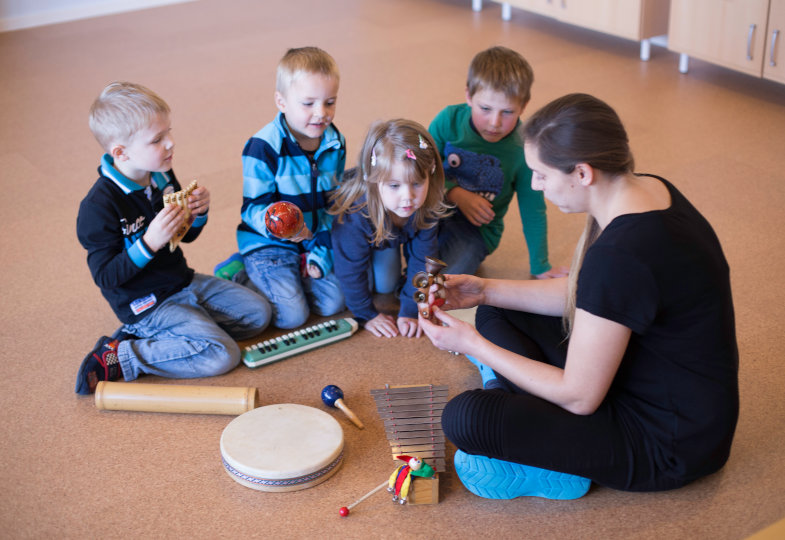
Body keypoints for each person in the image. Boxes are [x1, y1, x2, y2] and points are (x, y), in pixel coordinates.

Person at [419, 93, 739, 499]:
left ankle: (551, 457)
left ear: (583, 173)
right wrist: (484, 289)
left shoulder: (621, 256)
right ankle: (521, 399)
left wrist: (473, 346)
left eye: (541, 174)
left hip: (669, 445)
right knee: (495, 310)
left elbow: (580, 396)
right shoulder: (648, 189)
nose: (535, 184)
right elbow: (586, 296)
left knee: (467, 419)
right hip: (645, 378)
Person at [75, 81, 272, 395]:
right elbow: (106, 276)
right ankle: (125, 354)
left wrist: (199, 213)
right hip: (147, 305)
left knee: (259, 315)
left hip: (182, 281)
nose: (171, 144)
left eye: (169, 132)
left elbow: (185, 237)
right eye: (157, 139)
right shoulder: (98, 208)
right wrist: (148, 242)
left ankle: (188, 330)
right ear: (120, 152)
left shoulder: (162, 174)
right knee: (223, 354)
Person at [215, 46, 345, 329]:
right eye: (308, 103)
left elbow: (332, 205)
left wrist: (319, 252)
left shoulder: (335, 142)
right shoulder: (262, 147)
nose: (321, 113)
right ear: (282, 101)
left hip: (311, 238)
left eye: (330, 102)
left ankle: (293, 276)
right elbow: (252, 209)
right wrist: (283, 227)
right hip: (268, 243)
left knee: (333, 303)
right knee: (292, 317)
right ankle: (242, 270)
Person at [429, 46, 566, 279]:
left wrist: (540, 265)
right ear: (469, 96)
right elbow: (420, 167)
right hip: (434, 209)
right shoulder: (447, 120)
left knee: (443, 280)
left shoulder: (524, 149)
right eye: (485, 109)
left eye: (508, 112)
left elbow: (532, 207)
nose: (494, 122)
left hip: (476, 233)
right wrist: (454, 193)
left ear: (523, 106)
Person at [330, 119, 451, 338]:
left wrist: (411, 309)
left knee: (386, 285)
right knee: (339, 293)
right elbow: (349, 271)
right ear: (373, 181)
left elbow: (422, 260)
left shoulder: (426, 205)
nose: (408, 197)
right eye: (395, 186)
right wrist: (366, 314)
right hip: (340, 245)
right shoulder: (355, 214)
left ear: (430, 174)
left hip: (384, 239)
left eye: (416, 183)